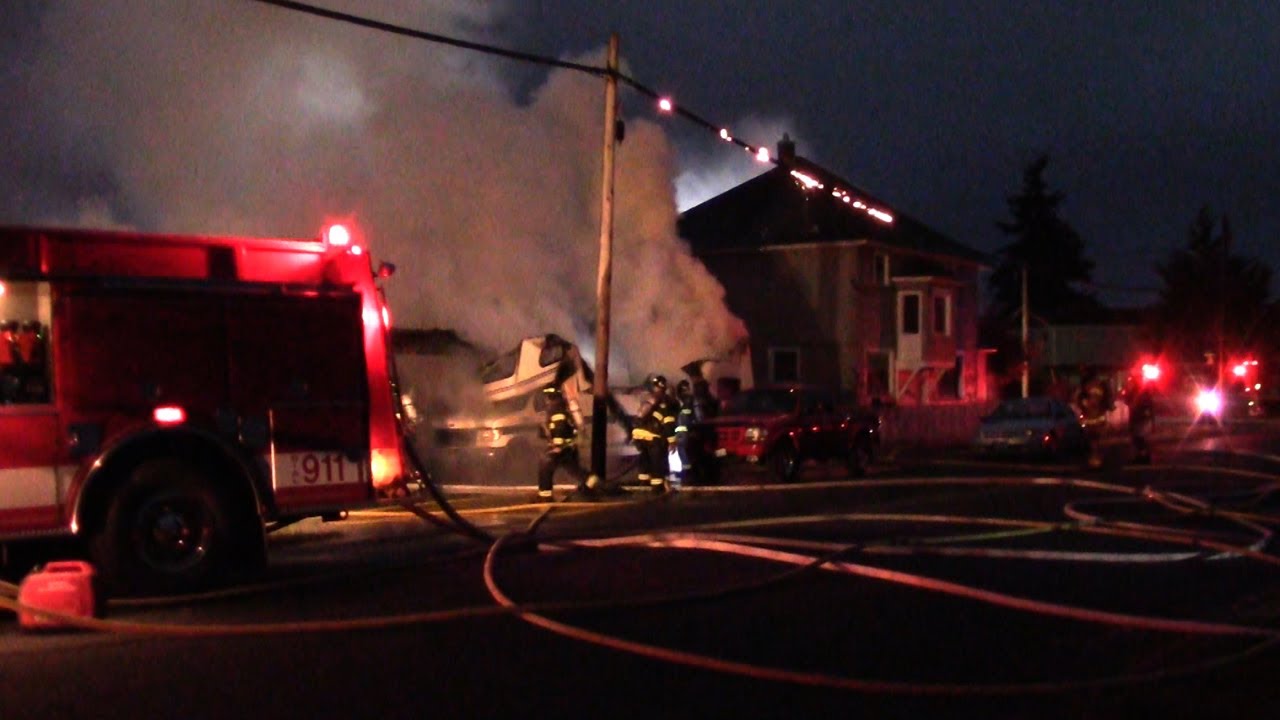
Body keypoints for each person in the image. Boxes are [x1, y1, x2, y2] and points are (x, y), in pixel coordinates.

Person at [536, 385, 599, 501]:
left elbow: (560, 427)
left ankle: (545, 497)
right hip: (569, 447)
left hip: (562, 447)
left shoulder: (556, 408)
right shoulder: (560, 406)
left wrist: (557, 445)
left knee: (545, 465)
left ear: (550, 396)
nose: (545, 399)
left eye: (546, 396)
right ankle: (591, 483)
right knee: (573, 469)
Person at [632, 373, 680, 493]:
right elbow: (668, 424)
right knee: (658, 462)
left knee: (645, 459)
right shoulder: (666, 403)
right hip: (653, 436)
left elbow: (639, 417)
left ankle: (643, 483)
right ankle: (657, 487)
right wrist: (672, 441)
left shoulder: (648, 399)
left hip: (639, 434)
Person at [1076, 371, 1113, 469]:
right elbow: (1079, 400)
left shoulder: (1099, 388)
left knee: (1096, 440)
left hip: (1097, 417)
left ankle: (1096, 459)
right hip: (1090, 417)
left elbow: (1107, 401)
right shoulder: (1086, 389)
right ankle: (1094, 459)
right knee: (1092, 440)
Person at [1124, 373, 1155, 464]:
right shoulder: (1135, 392)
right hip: (1137, 418)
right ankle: (1141, 456)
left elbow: (1148, 405)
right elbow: (1127, 401)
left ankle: (1144, 456)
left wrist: (1149, 417)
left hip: (1141, 418)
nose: (1130, 383)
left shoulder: (1142, 392)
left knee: (1140, 438)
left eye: (1132, 381)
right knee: (1137, 438)